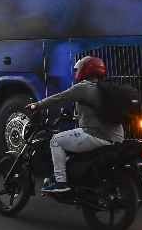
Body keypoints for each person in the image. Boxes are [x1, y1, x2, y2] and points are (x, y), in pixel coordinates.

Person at [25, 56, 123, 193]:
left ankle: (60, 182)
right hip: (117, 138)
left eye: (78, 69)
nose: (76, 72)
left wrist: (37, 105)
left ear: (84, 70)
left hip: (96, 135)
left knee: (56, 141)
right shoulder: (107, 89)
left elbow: (59, 98)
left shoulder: (83, 87)